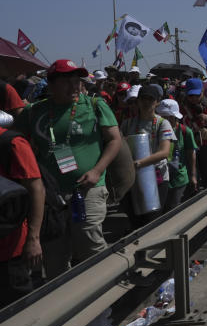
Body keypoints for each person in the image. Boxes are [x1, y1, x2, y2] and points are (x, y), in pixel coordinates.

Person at [15, 60, 123, 278]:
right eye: (67, 82)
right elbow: (15, 142)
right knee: (55, 255)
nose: (74, 86)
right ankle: (66, 304)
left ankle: (105, 295)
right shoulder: (35, 112)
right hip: (51, 196)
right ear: (51, 84)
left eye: (77, 81)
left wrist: (96, 171)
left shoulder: (95, 105)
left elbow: (114, 140)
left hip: (87, 188)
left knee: (88, 241)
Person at [0, 121, 44, 307]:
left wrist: (33, 239)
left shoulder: (12, 143)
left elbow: (37, 190)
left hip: (9, 252)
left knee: (18, 313)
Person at [121, 84, 174, 220]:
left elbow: (164, 152)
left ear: (157, 102)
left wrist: (139, 163)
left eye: (150, 99)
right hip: (132, 179)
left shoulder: (162, 123)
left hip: (157, 178)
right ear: (137, 101)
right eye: (143, 98)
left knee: (152, 220)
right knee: (134, 219)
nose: (146, 102)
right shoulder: (127, 124)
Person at [157, 99, 197, 211]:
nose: (165, 119)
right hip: (160, 178)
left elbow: (191, 154)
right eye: (162, 116)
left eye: (169, 116)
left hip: (179, 177)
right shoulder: (155, 130)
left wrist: (193, 176)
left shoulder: (185, 131)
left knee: (172, 208)